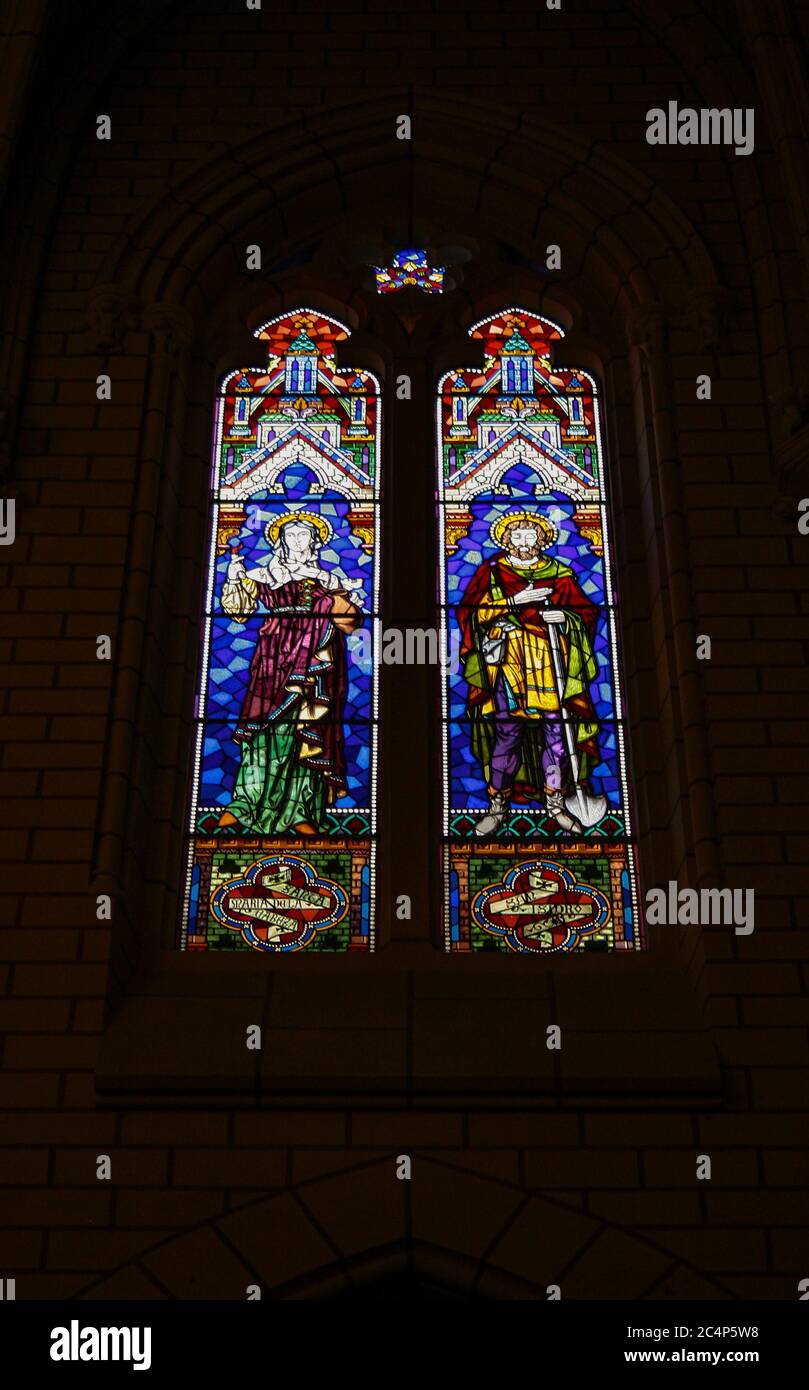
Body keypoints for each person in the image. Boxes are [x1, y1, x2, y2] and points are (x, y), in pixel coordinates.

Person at [217, 512, 363, 836]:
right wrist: (233, 577)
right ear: (281, 541)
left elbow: (352, 622)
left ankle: (301, 808)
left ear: (314, 543)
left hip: (313, 659)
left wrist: (342, 596)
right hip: (272, 655)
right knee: (261, 729)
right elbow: (238, 614)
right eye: (292, 535)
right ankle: (245, 802)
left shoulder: (328, 578)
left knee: (304, 728)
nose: (299, 541)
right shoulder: (263, 575)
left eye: (305, 536)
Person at [457, 510, 600, 837]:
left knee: (556, 735)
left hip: (551, 661)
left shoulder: (559, 573)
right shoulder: (493, 571)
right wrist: (513, 600)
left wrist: (564, 619)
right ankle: (497, 806)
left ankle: (555, 803)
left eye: (532, 535)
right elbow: (470, 615)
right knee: (508, 733)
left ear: (543, 539)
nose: (525, 542)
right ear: (506, 539)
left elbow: (586, 614)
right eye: (518, 536)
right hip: (509, 661)